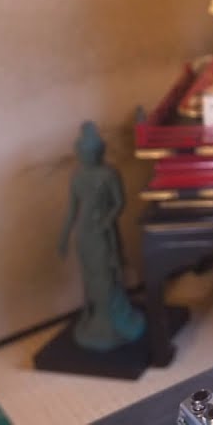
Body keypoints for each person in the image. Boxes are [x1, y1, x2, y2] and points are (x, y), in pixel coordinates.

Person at [58, 121, 146, 352]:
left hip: (103, 232)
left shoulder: (108, 174)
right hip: (85, 233)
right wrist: (64, 236)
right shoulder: (77, 176)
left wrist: (106, 222)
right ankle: (97, 317)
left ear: (99, 152)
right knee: (90, 276)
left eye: (90, 153)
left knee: (107, 273)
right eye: (82, 153)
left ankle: (115, 318)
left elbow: (119, 203)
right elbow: (72, 209)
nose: (86, 156)